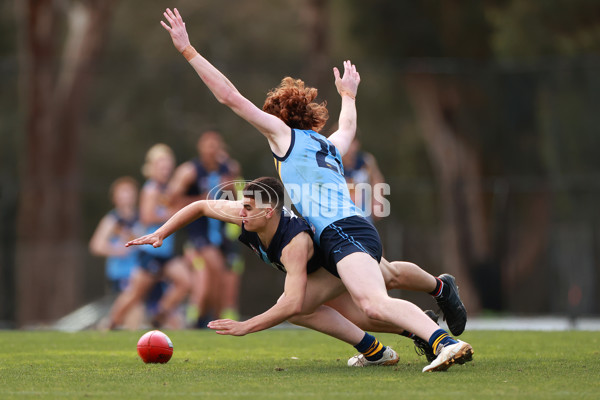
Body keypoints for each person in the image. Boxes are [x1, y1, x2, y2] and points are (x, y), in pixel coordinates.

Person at [160, 8, 471, 372]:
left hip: (341, 229)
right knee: (309, 304)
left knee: (372, 302)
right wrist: (348, 96)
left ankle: (444, 341)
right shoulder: (327, 145)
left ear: (277, 118)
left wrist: (189, 51)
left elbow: (229, 96)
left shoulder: (283, 137)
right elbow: (348, 128)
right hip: (342, 232)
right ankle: (433, 299)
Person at [128, 177, 469, 367]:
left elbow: (291, 303)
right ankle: (412, 324)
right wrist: (161, 232)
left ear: (271, 212)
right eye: (241, 206)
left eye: (249, 208)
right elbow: (201, 205)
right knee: (378, 292)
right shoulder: (248, 214)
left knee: (314, 305)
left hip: (335, 261)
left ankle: (433, 302)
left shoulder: (294, 244)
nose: (240, 214)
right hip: (330, 262)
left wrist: (247, 326)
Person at [107, 144, 192, 329]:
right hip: (150, 252)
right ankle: (110, 325)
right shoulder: (151, 188)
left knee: (185, 281)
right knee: (135, 295)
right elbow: (147, 217)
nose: (165, 168)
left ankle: (158, 316)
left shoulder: (165, 190)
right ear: (152, 166)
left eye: (168, 164)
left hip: (164, 252)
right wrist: (174, 214)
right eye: (161, 163)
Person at [167, 131, 243, 326]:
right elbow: (171, 202)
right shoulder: (190, 171)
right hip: (199, 234)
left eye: (216, 145)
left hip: (223, 234)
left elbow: (241, 200)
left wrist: (231, 188)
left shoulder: (229, 170)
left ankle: (206, 318)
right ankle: (211, 318)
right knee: (214, 270)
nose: (212, 150)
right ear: (200, 148)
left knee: (219, 281)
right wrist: (200, 200)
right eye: (208, 145)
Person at [89, 176, 145, 329]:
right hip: (120, 273)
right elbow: (96, 245)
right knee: (133, 309)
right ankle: (107, 328)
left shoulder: (142, 217)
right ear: (115, 197)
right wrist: (116, 250)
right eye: (122, 192)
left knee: (134, 312)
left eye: (130, 191)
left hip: (140, 272)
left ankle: (108, 328)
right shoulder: (112, 220)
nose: (126, 196)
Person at [341, 137, 386, 221]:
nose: (350, 147)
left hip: (364, 213)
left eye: (352, 143)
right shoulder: (333, 164)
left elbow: (377, 181)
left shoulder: (366, 161)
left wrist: (377, 201)